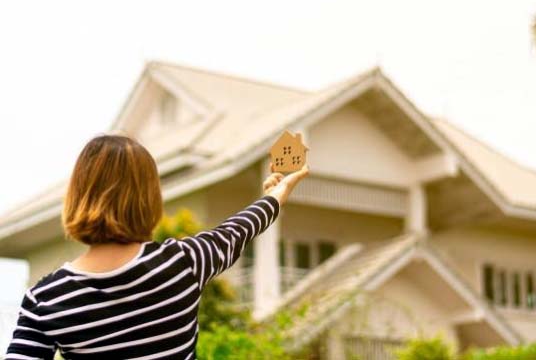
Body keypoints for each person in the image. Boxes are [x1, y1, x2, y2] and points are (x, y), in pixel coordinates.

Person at [5, 134, 309, 359]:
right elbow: (238, 229)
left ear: (78, 195)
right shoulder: (184, 263)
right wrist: (276, 195)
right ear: (149, 197)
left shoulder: (45, 298)